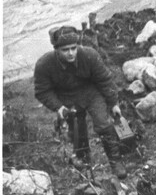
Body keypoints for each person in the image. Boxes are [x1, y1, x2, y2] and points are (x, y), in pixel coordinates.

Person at [34, 25, 127, 178]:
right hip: (66, 98)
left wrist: (113, 103)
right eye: (65, 50)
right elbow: (42, 91)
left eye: (73, 48)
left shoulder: (89, 55)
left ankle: (115, 161)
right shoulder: (44, 64)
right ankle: (85, 163)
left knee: (103, 123)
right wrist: (58, 107)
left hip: (91, 93)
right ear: (56, 50)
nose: (71, 53)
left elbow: (104, 80)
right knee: (77, 132)